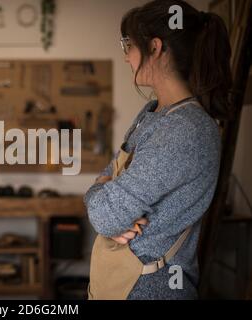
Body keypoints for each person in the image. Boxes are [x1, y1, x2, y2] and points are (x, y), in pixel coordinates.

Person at [84, 0, 232, 300]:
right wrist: (101, 194)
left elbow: (105, 216)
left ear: (154, 47)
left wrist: (105, 202)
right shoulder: (153, 113)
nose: (125, 56)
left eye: (128, 45)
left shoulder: (184, 130)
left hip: (151, 289)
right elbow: (104, 183)